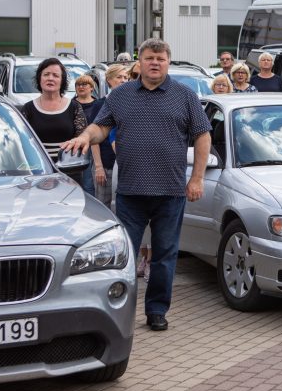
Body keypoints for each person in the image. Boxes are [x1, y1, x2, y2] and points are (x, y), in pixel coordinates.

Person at [61, 38, 211, 332]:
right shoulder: (121, 95)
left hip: (170, 192)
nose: (155, 63)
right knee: (125, 256)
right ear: (139, 63)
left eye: (161, 58)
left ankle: (156, 310)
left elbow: (202, 135)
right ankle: (123, 309)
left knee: (165, 256)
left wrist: (197, 178)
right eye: (150, 58)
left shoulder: (185, 96)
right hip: (130, 192)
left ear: (168, 62)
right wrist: (85, 137)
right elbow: (101, 127)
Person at [21, 58, 87, 161]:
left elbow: (82, 139)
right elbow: (22, 142)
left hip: (69, 169)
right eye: (46, 74)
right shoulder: (28, 109)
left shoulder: (74, 107)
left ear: (62, 81)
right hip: (38, 169)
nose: (50, 78)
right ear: (39, 78)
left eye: (55, 75)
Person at [94, 64, 130, 208]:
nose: (123, 80)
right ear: (109, 80)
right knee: (104, 207)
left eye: (126, 78)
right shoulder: (100, 104)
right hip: (106, 163)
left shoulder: (131, 104)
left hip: (126, 165)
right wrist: (98, 167)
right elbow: (93, 139)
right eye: (119, 77)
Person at [74, 74, 102, 196]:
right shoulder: (71, 105)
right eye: (78, 85)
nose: (81, 87)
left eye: (84, 84)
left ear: (92, 87)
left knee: (88, 183)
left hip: (94, 147)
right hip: (75, 147)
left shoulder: (98, 104)